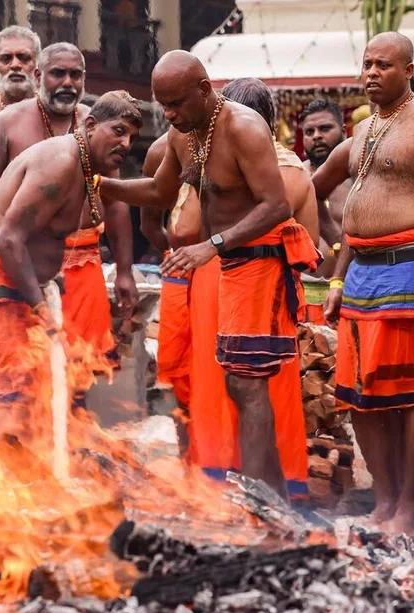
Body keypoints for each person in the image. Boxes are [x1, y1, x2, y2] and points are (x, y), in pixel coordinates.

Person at [98, 51, 320, 498]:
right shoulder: (185, 133)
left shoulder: (244, 128)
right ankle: (271, 500)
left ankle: (260, 500)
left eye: (176, 103)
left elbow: (276, 205)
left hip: (260, 265)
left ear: (204, 90)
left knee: (247, 384)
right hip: (226, 267)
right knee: (237, 383)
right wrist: (99, 183)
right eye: (163, 105)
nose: (169, 114)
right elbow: (159, 190)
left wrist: (211, 245)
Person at [313, 33, 414, 533]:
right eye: (367, 64)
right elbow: (337, 203)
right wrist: (337, 277)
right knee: (359, 393)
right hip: (360, 274)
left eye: (384, 64)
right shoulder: (364, 130)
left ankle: (411, 505)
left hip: (412, 269)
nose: (372, 73)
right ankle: (385, 497)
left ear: (409, 70)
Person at [0, 91, 141, 436]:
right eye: (118, 131)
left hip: (22, 288)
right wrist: (42, 308)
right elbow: (7, 241)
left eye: (131, 137)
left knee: (34, 403)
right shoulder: (60, 162)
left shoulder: (84, 166)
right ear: (90, 125)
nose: (126, 144)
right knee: (5, 409)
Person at [178, 77, 316, 495]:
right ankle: (282, 488)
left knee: (227, 384)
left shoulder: (225, 162)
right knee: (272, 388)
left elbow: (183, 228)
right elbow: (311, 239)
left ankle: (235, 485)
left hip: (227, 277)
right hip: (273, 284)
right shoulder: (296, 169)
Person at [0, 42, 138, 409]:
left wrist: (124, 270)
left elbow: (116, 201)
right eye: (58, 73)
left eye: (76, 75)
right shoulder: (6, 124)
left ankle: (73, 440)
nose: (67, 83)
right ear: (38, 75)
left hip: (84, 262)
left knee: (79, 374)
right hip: (23, 265)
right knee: (25, 370)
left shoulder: (102, 126)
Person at [141, 133, 200, 456]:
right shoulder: (158, 151)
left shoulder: (233, 138)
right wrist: (179, 254)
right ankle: (190, 464)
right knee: (181, 375)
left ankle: (224, 464)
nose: (174, 113)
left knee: (227, 370)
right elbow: (149, 224)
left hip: (229, 266)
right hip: (182, 274)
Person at [300, 98, 351, 314]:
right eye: (309, 132)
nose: (316, 136)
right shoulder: (295, 176)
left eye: (325, 128)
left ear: (344, 131)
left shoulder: (358, 178)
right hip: (303, 294)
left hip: (349, 291)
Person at [0, 26, 41, 116]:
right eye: (6, 58)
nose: (15, 65)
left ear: (39, 70)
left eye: (24, 58)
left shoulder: (52, 112)